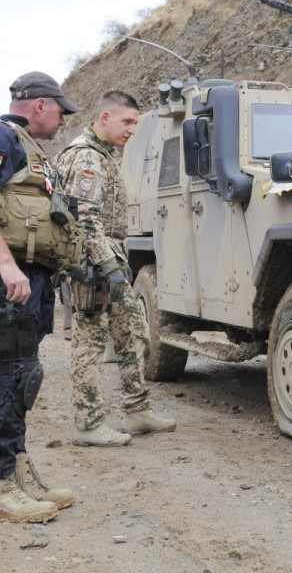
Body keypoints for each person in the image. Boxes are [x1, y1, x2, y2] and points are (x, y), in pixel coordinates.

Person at [56, 90, 176, 447]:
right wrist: (106, 264)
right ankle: (88, 422)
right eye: (126, 121)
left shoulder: (103, 154)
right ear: (104, 117)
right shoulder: (86, 157)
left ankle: (136, 410)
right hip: (92, 264)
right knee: (89, 341)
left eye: (135, 123)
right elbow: (83, 217)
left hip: (110, 258)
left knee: (132, 332)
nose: (131, 130)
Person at [1, 71, 82, 522]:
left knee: (21, 377)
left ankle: (16, 470)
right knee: (10, 378)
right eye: (60, 110)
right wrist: (7, 266)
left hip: (32, 279)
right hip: (10, 280)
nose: (63, 119)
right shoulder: (4, 138)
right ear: (39, 105)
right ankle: (1, 484)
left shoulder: (29, 148)